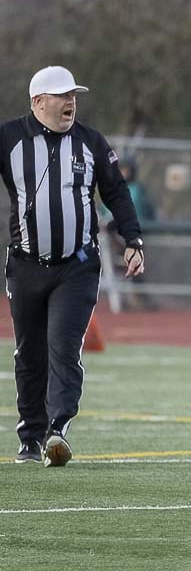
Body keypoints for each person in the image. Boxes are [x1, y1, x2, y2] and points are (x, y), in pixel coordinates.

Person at [0, 66, 145, 467]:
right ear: (37, 102)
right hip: (26, 265)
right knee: (30, 354)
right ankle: (30, 437)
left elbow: (116, 192)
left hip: (77, 266)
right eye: (62, 95)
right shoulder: (9, 138)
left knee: (64, 346)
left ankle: (57, 430)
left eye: (73, 95)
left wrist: (132, 240)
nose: (70, 102)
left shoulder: (91, 142)